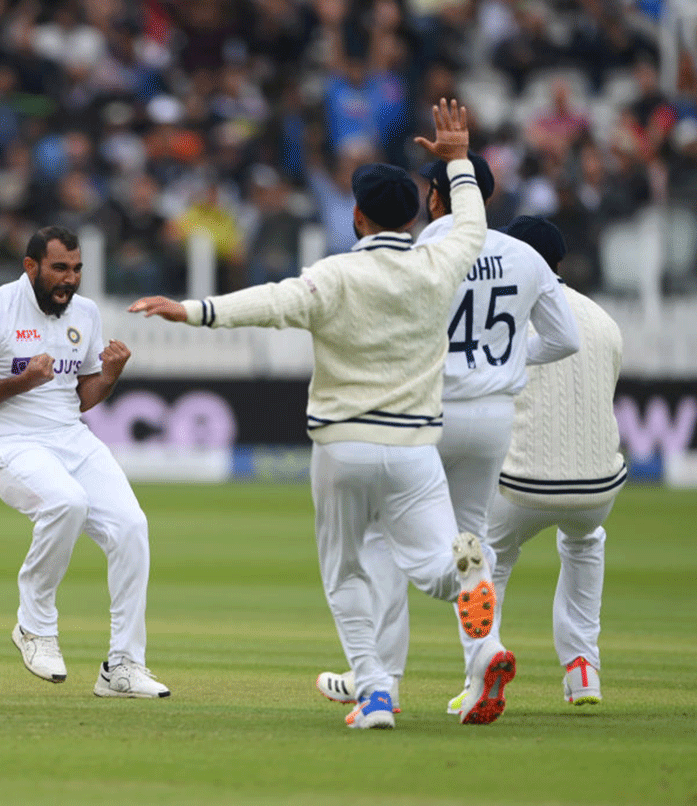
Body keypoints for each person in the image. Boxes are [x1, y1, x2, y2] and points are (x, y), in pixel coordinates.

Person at [130, 100, 501, 729]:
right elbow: (469, 223)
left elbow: (268, 304)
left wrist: (190, 309)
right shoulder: (440, 266)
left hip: (345, 447)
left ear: (357, 216)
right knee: (435, 565)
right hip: (415, 447)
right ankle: (466, 574)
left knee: (345, 574)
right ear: (413, 216)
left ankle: (377, 693)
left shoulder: (335, 275)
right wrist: (460, 162)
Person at [314, 154, 581, 725]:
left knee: (385, 540)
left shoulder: (428, 247)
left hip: (429, 410)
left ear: (436, 197)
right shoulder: (525, 254)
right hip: (494, 415)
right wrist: (508, 361)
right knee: (471, 544)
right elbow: (564, 340)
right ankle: (484, 655)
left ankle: (379, 680)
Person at [0, 224, 169, 699]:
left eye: (77, 269)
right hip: (9, 441)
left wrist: (109, 375)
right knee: (67, 504)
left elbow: (82, 397)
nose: (70, 280)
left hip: (71, 437)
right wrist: (22, 382)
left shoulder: (84, 314)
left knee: (131, 527)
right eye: (59, 269)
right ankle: (34, 627)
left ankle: (124, 666)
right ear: (31, 267)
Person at [485, 216, 624, 706]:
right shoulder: (603, 320)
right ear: (560, 262)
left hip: (522, 481)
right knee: (586, 541)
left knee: (489, 558)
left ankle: (482, 665)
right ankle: (583, 669)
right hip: (598, 488)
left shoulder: (505, 313)